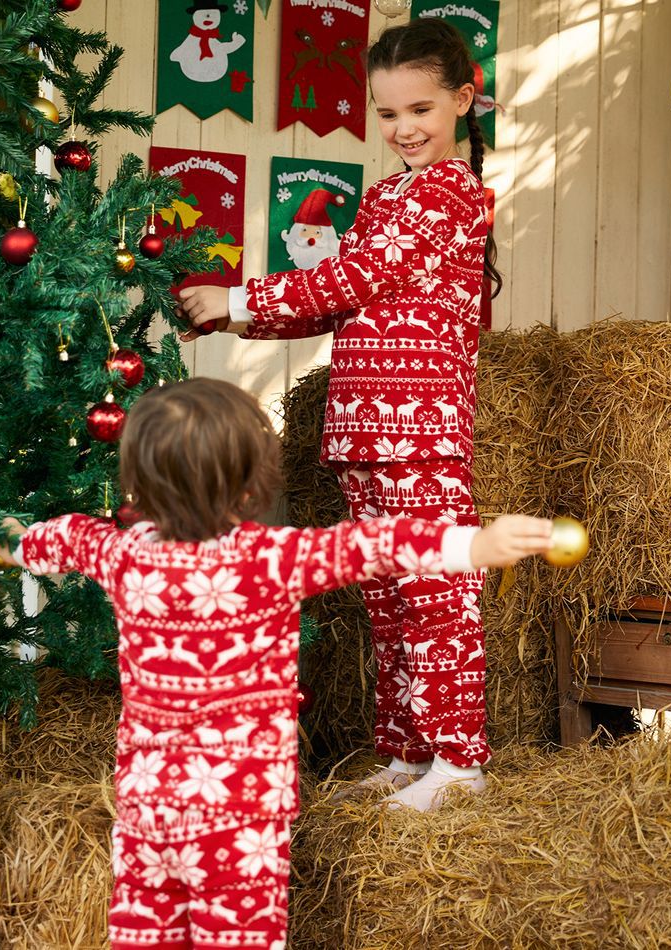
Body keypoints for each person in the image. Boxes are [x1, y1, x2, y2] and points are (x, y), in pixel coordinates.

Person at [0, 379, 551, 950]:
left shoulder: (125, 554)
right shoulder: (271, 561)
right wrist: (473, 545)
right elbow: (372, 545)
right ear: (252, 482)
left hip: (149, 808)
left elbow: (61, 538)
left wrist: (11, 538)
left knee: (145, 934)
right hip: (243, 814)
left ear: (135, 483)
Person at [177, 19, 503, 812]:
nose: (404, 130)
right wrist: (232, 319)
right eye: (387, 115)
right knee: (388, 603)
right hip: (362, 429)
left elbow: (355, 278)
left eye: (420, 110)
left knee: (436, 596)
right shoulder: (388, 194)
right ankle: (406, 753)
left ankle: (460, 764)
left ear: (462, 101)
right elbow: (340, 306)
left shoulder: (453, 193)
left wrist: (241, 293)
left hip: (421, 431)